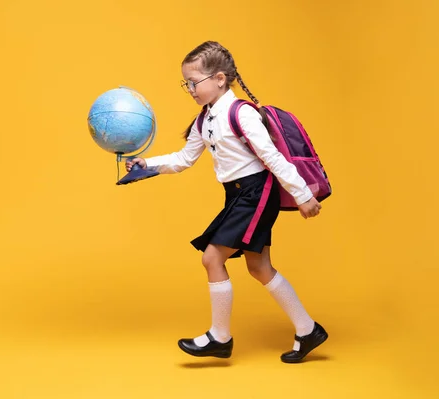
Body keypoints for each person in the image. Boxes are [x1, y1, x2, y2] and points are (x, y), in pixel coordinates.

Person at [125, 41, 328, 363]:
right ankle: (308, 330)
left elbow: (271, 157)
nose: (189, 89)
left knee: (211, 259)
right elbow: (184, 159)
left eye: (194, 82)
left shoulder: (241, 113)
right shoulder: (204, 120)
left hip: (255, 193)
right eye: (186, 83)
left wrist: (303, 195)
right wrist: (146, 164)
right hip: (236, 195)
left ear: (219, 79)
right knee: (259, 267)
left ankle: (219, 337)